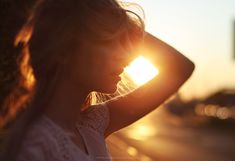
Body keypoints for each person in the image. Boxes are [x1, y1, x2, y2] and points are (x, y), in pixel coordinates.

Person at [0, 0, 195, 161]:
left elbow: (180, 68)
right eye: (110, 41)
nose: (126, 57)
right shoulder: (34, 145)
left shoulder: (92, 123)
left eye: (123, 42)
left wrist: (120, 22)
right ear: (65, 48)